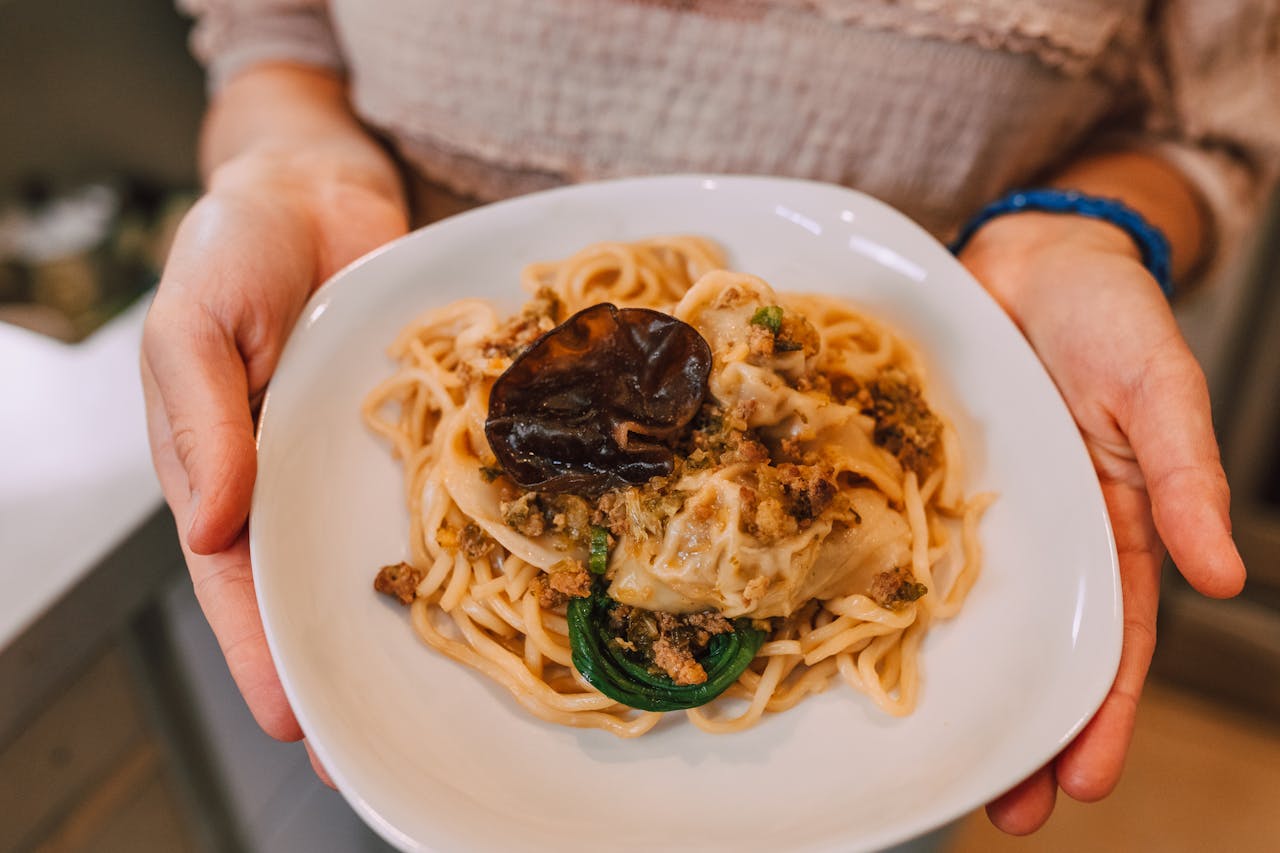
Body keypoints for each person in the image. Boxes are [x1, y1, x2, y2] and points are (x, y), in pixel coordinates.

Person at [143, 0, 1276, 837]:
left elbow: (1213, 121)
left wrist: (1079, 228)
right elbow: (270, 34)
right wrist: (286, 164)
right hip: (455, 336)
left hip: (956, 340)